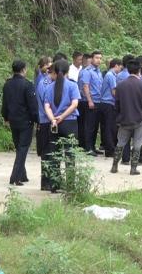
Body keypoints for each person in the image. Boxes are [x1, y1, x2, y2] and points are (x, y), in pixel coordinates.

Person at [41, 59, 81, 192]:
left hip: (54, 125)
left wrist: (53, 119)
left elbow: (46, 106)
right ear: (67, 71)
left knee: (54, 154)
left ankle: (55, 185)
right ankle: (70, 185)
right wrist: (62, 117)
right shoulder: (72, 86)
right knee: (70, 154)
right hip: (69, 122)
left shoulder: (49, 87)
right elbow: (74, 104)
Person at [111, 59, 142, 175]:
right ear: (139, 70)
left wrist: (119, 117)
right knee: (138, 143)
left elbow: (117, 104)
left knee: (120, 143)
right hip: (140, 119)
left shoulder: (120, 85)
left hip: (124, 119)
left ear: (128, 70)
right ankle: (133, 168)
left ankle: (114, 166)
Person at [1, 60, 39, 186]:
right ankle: (15, 177)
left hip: (13, 120)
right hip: (25, 121)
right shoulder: (27, 85)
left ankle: (23, 175)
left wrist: (5, 117)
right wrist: (37, 120)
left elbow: (5, 104)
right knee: (23, 148)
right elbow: (33, 106)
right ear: (24, 69)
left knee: (19, 147)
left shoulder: (7, 84)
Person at [79, 51, 104, 155]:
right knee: (89, 126)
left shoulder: (98, 71)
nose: (99, 60)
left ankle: (93, 147)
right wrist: (89, 100)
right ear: (92, 59)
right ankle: (87, 147)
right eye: (97, 58)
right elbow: (85, 87)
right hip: (89, 101)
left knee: (95, 126)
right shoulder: (87, 71)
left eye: (100, 58)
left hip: (98, 101)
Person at [99, 58, 122, 157]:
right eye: (120, 67)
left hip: (105, 103)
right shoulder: (111, 75)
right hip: (108, 104)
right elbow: (114, 92)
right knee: (109, 127)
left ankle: (109, 148)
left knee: (108, 127)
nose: (121, 69)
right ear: (116, 65)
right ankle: (110, 150)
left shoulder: (110, 75)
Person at [35, 59, 54, 158]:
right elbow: (45, 102)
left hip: (48, 118)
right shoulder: (44, 83)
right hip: (45, 117)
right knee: (46, 146)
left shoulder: (50, 82)